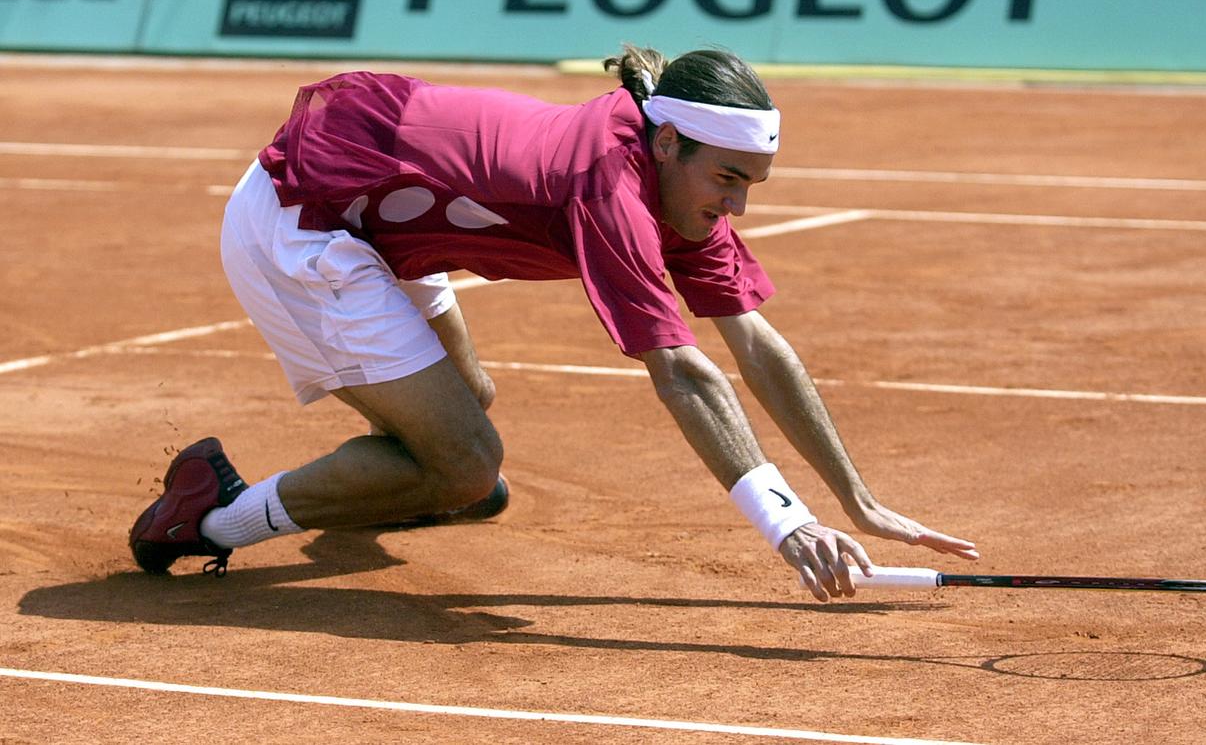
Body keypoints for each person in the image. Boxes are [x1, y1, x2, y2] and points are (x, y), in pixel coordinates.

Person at [129, 46, 979, 601]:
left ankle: (417, 480)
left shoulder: (677, 182)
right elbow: (684, 372)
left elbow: (755, 343)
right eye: (727, 177)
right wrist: (786, 519)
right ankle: (210, 515)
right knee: (465, 465)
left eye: (751, 184)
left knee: (469, 408)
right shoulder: (607, 185)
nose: (736, 204)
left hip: (387, 224)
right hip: (304, 220)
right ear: (668, 144)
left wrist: (857, 499)